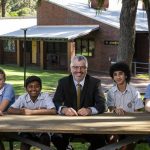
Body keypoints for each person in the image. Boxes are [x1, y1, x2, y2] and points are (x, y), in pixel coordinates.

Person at [51, 55, 106, 150]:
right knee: (56, 137)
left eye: (82, 67)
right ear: (71, 68)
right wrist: (63, 109)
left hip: (89, 126)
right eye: (75, 67)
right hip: (67, 125)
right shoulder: (63, 82)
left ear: (86, 69)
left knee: (100, 140)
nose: (79, 70)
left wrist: (90, 110)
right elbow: (56, 101)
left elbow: (102, 105)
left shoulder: (95, 83)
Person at [8, 75, 56, 150]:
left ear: (41, 88)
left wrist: (32, 112)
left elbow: (53, 111)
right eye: (30, 86)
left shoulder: (45, 96)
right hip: (26, 128)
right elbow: (10, 110)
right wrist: (22, 111)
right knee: (25, 142)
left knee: (45, 141)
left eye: (37, 86)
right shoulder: (22, 97)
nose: (34, 89)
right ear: (26, 88)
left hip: (43, 129)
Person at [106, 62, 144, 149]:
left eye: (120, 73)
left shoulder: (134, 92)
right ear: (113, 77)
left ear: (126, 75)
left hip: (130, 124)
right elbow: (110, 109)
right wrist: (115, 109)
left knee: (130, 142)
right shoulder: (110, 92)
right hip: (114, 124)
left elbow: (138, 112)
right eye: (115, 74)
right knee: (111, 137)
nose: (118, 77)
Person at [0, 68, 15, 150]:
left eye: (0, 79)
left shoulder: (9, 88)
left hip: (10, 124)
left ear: (4, 80)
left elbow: (1, 108)